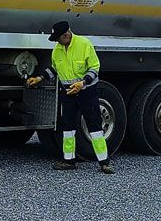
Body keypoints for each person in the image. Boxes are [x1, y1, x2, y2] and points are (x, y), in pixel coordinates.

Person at [25, 21, 113, 174]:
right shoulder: (58, 49)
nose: (57, 42)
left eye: (58, 38)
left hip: (87, 92)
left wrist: (82, 83)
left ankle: (104, 162)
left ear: (66, 35)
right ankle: (69, 161)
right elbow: (54, 68)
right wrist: (39, 78)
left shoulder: (84, 44)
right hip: (68, 93)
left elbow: (94, 68)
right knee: (67, 127)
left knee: (94, 126)